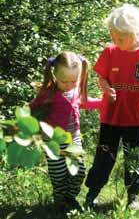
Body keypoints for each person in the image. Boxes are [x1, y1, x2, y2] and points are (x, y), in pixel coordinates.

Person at [85, 3, 139, 210]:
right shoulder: (110, 52)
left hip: (136, 120)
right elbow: (101, 77)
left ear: (135, 33)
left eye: (120, 38)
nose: (115, 41)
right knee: (104, 156)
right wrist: (106, 89)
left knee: (133, 158)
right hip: (110, 118)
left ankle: (133, 196)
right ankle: (91, 195)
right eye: (113, 36)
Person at [30, 51, 101, 213]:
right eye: (64, 82)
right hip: (52, 140)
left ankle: (70, 197)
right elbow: (32, 109)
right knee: (59, 173)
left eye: (73, 81)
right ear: (55, 76)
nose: (69, 85)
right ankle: (60, 199)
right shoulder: (47, 93)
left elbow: (84, 102)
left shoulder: (75, 91)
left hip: (73, 138)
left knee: (78, 171)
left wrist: (104, 103)